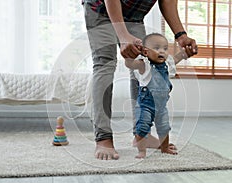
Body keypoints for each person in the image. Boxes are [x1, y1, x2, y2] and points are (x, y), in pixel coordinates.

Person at [82, 0, 198, 160]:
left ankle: (142, 135)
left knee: (145, 63)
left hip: (134, 15)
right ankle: (103, 138)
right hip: (100, 8)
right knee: (104, 63)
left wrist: (181, 36)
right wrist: (123, 35)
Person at [125, 33, 183, 158]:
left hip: (161, 107)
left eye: (165, 48)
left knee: (164, 127)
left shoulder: (167, 65)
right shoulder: (143, 65)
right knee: (142, 127)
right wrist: (129, 58)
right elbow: (130, 64)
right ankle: (141, 151)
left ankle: (165, 148)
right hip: (145, 106)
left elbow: (175, 59)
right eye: (157, 48)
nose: (162, 51)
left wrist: (184, 54)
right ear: (146, 52)